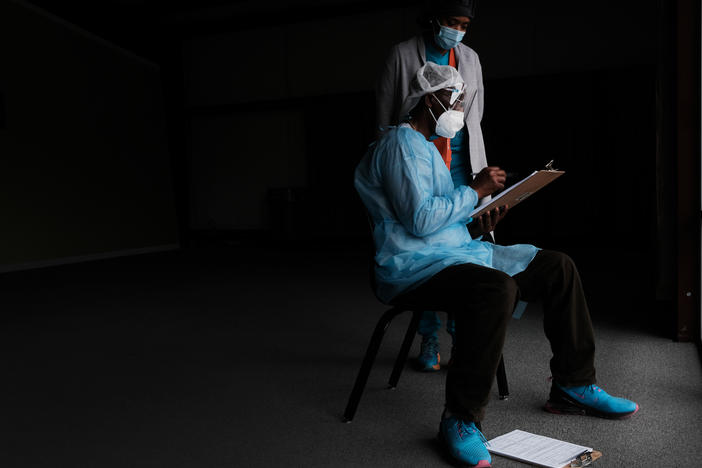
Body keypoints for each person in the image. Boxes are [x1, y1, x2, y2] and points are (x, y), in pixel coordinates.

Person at [355, 62, 638, 468]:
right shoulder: (399, 143)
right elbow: (418, 221)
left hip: (453, 254)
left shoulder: (428, 149)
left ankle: (573, 385)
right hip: (412, 267)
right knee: (495, 288)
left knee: (557, 265)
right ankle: (460, 419)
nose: (459, 108)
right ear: (429, 99)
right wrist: (474, 190)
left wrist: (479, 223)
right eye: (454, 100)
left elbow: (441, 223)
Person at [376, 0, 489, 371]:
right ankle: (428, 339)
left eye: (465, 24)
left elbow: (475, 115)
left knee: (460, 245)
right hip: (417, 158)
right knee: (425, 246)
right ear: (434, 19)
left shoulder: (469, 58)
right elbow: (387, 111)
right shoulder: (402, 54)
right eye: (452, 22)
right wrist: (395, 158)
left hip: (459, 162)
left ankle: (460, 338)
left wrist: (477, 177)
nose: (458, 29)